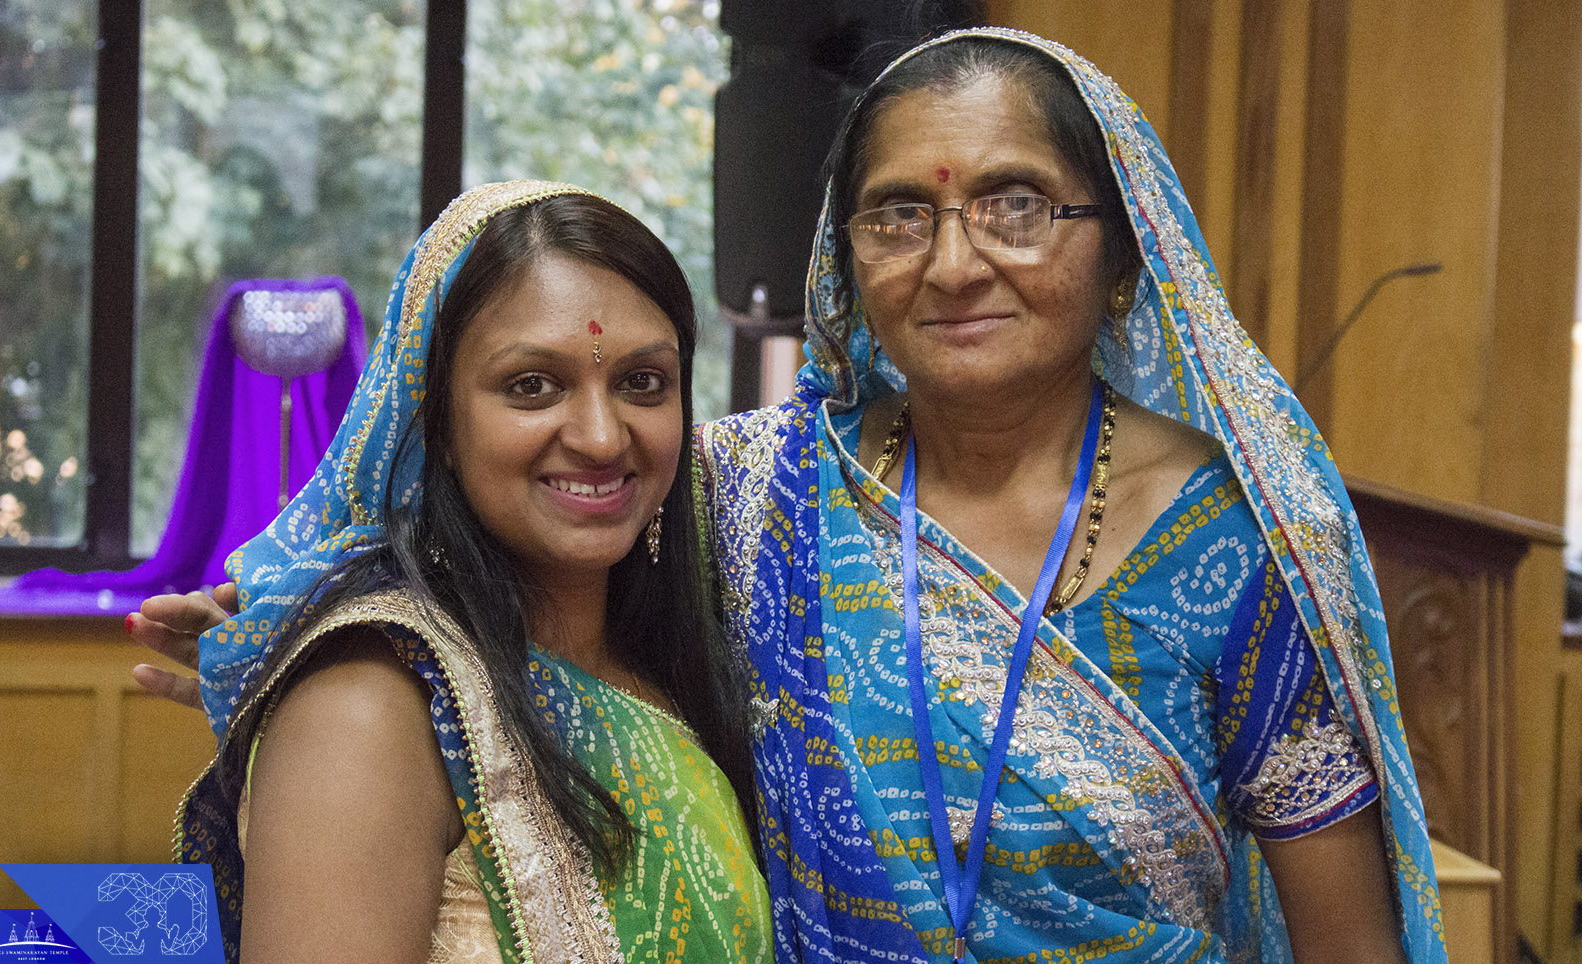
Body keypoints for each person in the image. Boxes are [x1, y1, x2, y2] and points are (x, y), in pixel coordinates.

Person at [136, 27, 1444, 964]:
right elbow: (506, 577)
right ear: (844, 259)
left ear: (1122, 250)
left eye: (1016, 204)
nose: (954, 261)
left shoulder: (1248, 538)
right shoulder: (744, 491)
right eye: (898, 214)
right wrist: (302, 633)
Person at [156, 179, 772, 964]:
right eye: (532, 386)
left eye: (642, 383)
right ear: (437, 424)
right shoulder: (367, 709)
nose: (600, 437)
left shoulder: (678, 666)